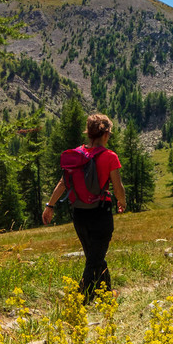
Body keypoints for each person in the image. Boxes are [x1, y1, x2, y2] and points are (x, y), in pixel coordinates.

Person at [43, 113, 127, 303]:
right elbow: (117, 185)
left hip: (79, 213)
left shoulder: (77, 155)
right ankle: (83, 297)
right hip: (100, 212)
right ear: (105, 134)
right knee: (94, 257)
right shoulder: (110, 156)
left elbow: (63, 183)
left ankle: (106, 292)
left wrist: (50, 206)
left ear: (89, 134)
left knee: (94, 254)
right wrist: (121, 201)